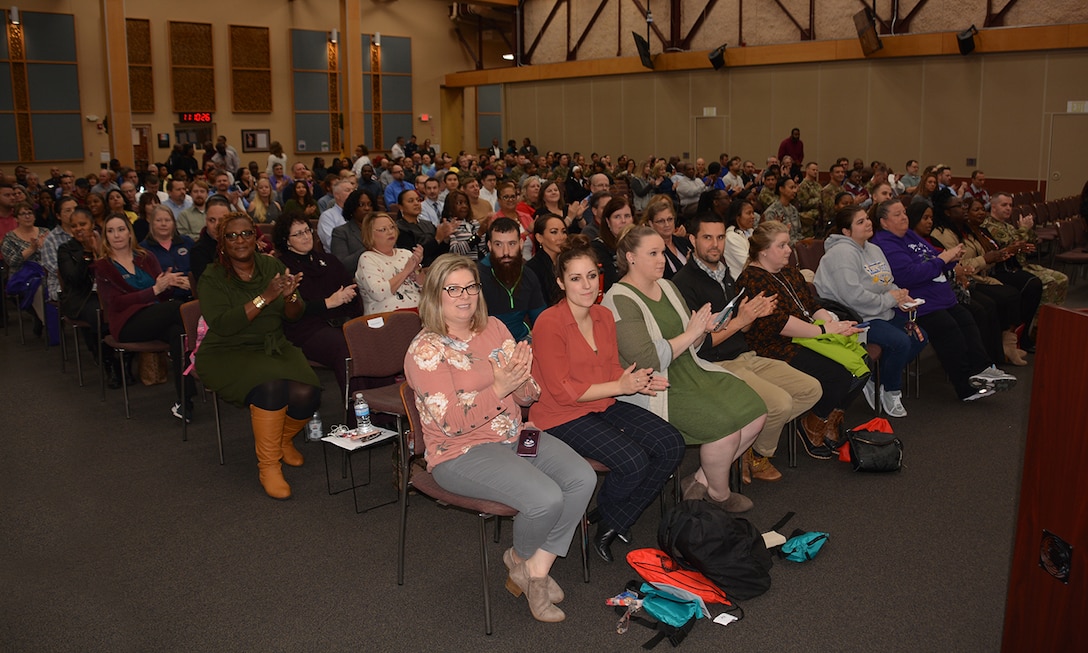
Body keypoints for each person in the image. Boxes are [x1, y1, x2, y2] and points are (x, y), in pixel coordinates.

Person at [403, 254, 595, 623]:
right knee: (545, 498)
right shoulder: (426, 350)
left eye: (471, 287)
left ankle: (531, 568)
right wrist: (499, 387)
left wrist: (522, 383)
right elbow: (451, 424)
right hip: (460, 452)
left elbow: (528, 396)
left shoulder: (493, 327)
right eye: (453, 289)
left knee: (581, 478)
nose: (465, 296)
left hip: (513, 435)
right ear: (434, 294)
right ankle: (528, 568)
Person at [531, 237, 684, 562]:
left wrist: (639, 381)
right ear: (560, 282)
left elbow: (612, 368)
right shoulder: (549, 323)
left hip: (601, 403)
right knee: (633, 461)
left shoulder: (601, 315)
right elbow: (563, 391)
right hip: (561, 416)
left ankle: (611, 519)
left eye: (591, 275)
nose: (586, 285)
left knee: (671, 443)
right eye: (575, 278)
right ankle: (610, 520)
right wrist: (623, 386)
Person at [603, 225, 768, 512]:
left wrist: (704, 328)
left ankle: (700, 480)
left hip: (690, 369)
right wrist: (693, 333)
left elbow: (692, 341)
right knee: (724, 428)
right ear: (630, 257)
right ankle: (720, 494)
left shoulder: (667, 286)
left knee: (755, 411)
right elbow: (647, 361)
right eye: (652, 254)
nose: (661, 260)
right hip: (656, 386)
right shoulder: (618, 299)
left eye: (662, 253)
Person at [672, 212, 821, 482]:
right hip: (714, 364)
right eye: (707, 237)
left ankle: (749, 447)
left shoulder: (725, 274)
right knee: (779, 403)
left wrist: (752, 317)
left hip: (745, 354)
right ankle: (756, 454)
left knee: (811, 389)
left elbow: (743, 329)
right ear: (692, 240)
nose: (716, 244)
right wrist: (742, 319)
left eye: (719, 237)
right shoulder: (683, 283)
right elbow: (698, 345)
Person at [195, 213, 321, 499]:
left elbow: (295, 314)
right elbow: (224, 325)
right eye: (232, 236)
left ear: (256, 236)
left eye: (246, 234)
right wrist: (265, 297)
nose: (240, 241)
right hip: (227, 351)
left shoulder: (271, 265)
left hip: (272, 345)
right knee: (272, 389)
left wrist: (289, 296)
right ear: (222, 243)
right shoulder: (212, 276)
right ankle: (269, 466)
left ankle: (281, 440)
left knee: (308, 394)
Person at [737, 221, 869, 458]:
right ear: (763, 250)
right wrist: (827, 331)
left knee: (862, 363)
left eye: (788, 244)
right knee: (838, 374)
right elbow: (780, 324)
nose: (789, 249)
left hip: (807, 336)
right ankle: (812, 422)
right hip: (775, 346)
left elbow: (811, 305)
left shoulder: (789, 272)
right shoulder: (752, 279)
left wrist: (830, 322)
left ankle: (828, 418)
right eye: (782, 245)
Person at [871, 199, 1018, 402]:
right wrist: (942, 260)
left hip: (940, 297)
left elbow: (935, 255)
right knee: (949, 329)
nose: (904, 217)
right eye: (897, 215)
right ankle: (966, 386)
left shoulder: (910, 235)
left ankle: (983, 369)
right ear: (884, 222)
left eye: (904, 212)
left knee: (968, 318)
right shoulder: (884, 243)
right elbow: (909, 274)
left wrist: (952, 257)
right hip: (918, 305)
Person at [814, 204, 928, 417]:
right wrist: (888, 300)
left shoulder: (873, 248)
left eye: (867, 218)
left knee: (919, 337)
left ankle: (877, 380)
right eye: (860, 222)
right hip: (854, 318)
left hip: (879, 311)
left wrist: (901, 297)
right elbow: (853, 297)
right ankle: (891, 390)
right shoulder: (841, 254)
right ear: (846, 232)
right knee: (900, 341)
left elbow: (886, 282)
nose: (868, 223)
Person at [93, 213, 193, 419]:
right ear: (105, 236)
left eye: (121, 229)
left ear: (130, 233)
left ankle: (186, 401)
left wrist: (168, 284)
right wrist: (154, 290)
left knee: (178, 333)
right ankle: (205, 347)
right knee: (179, 309)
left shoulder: (146, 257)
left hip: (155, 316)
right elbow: (115, 302)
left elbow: (163, 294)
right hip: (126, 324)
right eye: (110, 231)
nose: (117, 235)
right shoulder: (103, 266)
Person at [930, 189, 1034, 365]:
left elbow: (982, 254)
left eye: (964, 205)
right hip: (965, 281)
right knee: (993, 303)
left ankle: (1006, 346)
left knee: (1014, 293)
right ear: (947, 212)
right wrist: (985, 259)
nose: (964, 209)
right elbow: (959, 265)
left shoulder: (965, 230)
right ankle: (990, 356)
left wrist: (997, 256)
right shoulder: (942, 234)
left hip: (981, 276)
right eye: (959, 206)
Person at [273, 212, 359, 398]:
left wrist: (349, 298)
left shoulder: (328, 260)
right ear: (286, 241)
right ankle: (358, 414)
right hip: (306, 330)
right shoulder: (282, 267)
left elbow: (352, 292)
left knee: (367, 338)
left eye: (307, 230)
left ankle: (382, 413)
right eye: (298, 234)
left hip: (341, 322)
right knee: (345, 348)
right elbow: (293, 310)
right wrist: (330, 302)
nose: (306, 236)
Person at [984, 192, 1067, 307]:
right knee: (1049, 282)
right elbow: (1013, 246)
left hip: (1023, 264)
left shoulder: (1008, 226)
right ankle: (1038, 321)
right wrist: (1023, 229)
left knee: (1062, 279)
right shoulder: (989, 226)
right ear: (993, 206)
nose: (1008, 208)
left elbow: (1032, 243)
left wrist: (1028, 230)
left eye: (1010, 205)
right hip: (1007, 268)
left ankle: (1055, 317)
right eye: (1004, 205)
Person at [477, 218, 545, 342]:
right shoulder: (476, 277)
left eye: (512, 244)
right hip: (487, 342)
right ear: (489, 246)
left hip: (522, 340)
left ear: (521, 244)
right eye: (498, 244)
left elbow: (541, 321)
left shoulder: (528, 276)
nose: (506, 252)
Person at [356, 212, 424, 314]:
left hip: (419, 310)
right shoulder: (367, 258)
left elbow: (424, 287)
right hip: (388, 317)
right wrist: (405, 271)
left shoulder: (405, 253)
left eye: (392, 227)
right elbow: (378, 293)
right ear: (370, 234)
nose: (390, 232)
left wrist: (417, 268)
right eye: (383, 229)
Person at [2, 201, 49, 329]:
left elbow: (56, 254)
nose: (27, 216)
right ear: (16, 218)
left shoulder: (45, 232)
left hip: (47, 272)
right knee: (38, 288)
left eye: (29, 213)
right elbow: (12, 261)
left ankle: (54, 318)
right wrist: (31, 249)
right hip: (22, 276)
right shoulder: (9, 238)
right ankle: (48, 323)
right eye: (23, 214)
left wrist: (46, 247)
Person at [140, 205, 194, 302]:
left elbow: (198, 268)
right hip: (162, 300)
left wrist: (192, 280)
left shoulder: (187, 242)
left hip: (191, 295)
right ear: (152, 224)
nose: (163, 224)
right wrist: (167, 281)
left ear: (173, 223)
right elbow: (143, 280)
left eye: (167, 220)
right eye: (159, 220)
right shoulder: (143, 249)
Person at [590, 195, 634, 293]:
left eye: (627, 216)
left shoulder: (640, 244)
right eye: (617, 217)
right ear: (608, 222)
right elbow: (611, 282)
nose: (623, 221)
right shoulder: (598, 247)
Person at [642, 195, 691, 279]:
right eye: (661, 221)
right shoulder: (650, 250)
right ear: (651, 224)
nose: (667, 224)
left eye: (670, 219)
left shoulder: (683, 242)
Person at [526, 214, 567, 305]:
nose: (561, 237)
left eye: (563, 232)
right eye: (554, 232)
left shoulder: (567, 263)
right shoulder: (532, 269)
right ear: (539, 237)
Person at [330, 188, 374, 272]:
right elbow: (341, 264)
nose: (367, 208)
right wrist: (368, 247)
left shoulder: (381, 229)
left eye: (370, 204)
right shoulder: (341, 232)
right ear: (352, 208)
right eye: (361, 205)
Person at [723, 198, 756, 281]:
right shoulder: (731, 237)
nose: (753, 216)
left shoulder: (752, 232)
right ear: (737, 217)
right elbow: (748, 263)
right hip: (743, 281)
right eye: (748, 213)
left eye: (753, 213)